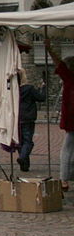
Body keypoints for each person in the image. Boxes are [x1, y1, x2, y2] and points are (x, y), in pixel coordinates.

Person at [45, 40, 74, 191]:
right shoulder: (69, 78)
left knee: (67, 149)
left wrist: (49, 49)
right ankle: (65, 178)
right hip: (71, 118)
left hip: (71, 119)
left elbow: (58, 63)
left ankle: (64, 179)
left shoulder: (69, 78)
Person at [16, 68, 45, 173]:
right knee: (28, 141)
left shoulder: (13, 89)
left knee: (21, 141)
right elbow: (41, 98)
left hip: (17, 117)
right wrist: (43, 88)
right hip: (28, 117)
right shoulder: (29, 88)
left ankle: (24, 165)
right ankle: (23, 158)